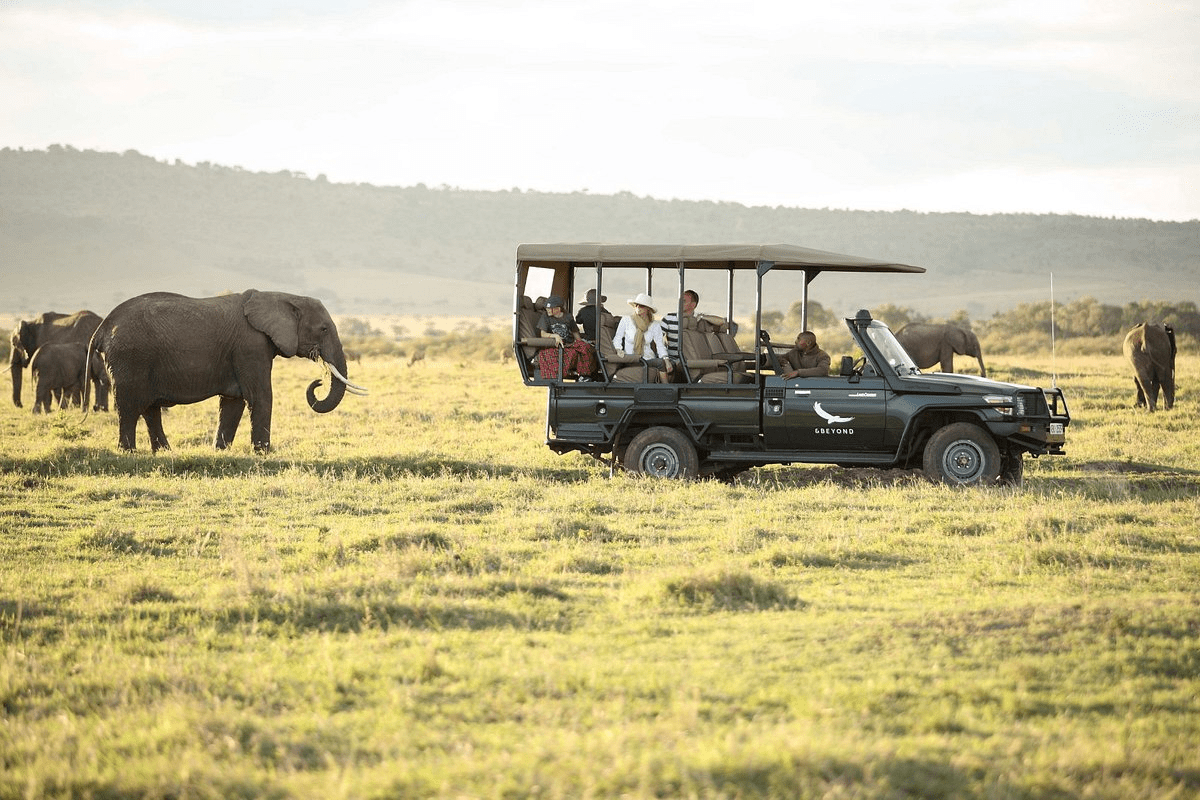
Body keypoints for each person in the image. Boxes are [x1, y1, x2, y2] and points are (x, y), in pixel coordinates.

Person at [612, 292, 673, 380]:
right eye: (636, 305)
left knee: (663, 363)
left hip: (647, 359)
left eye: (641, 306)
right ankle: (666, 389)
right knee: (660, 363)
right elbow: (617, 338)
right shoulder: (626, 320)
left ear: (648, 309)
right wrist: (618, 349)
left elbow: (660, 345)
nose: (638, 308)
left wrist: (666, 359)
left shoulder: (654, 325)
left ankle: (666, 389)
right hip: (631, 359)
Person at [536, 295, 598, 380]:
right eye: (547, 308)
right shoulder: (545, 317)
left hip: (569, 343)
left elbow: (575, 331)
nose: (548, 310)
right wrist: (555, 336)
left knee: (586, 348)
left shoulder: (568, 317)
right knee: (571, 353)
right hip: (557, 345)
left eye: (550, 308)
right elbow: (543, 334)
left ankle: (584, 376)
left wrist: (580, 342)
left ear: (558, 309)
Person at [660, 289, 698, 360]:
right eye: (680, 300)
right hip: (673, 360)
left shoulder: (698, 320)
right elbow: (656, 338)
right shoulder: (669, 318)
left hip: (692, 360)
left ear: (693, 305)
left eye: (683, 301)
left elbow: (721, 322)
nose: (680, 303)